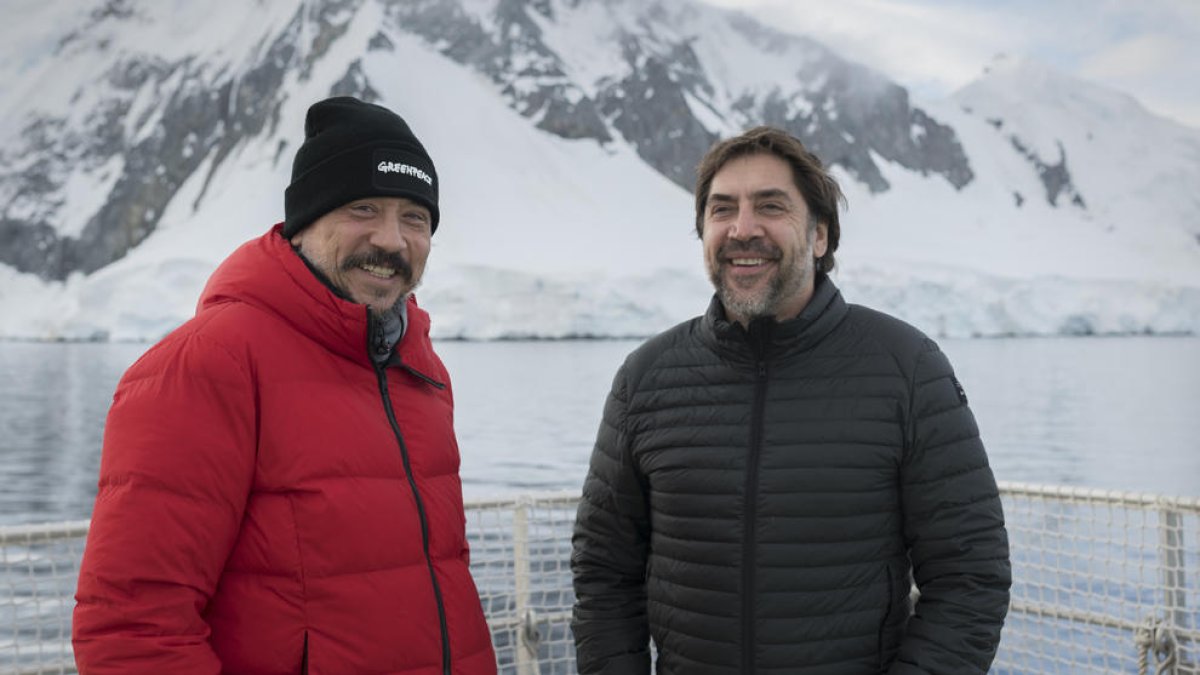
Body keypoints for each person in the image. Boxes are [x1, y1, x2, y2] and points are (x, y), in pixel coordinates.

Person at [73, 96, 497, 674]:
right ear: (304, 223)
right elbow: (131, 625)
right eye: (363, 208)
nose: (392, 241)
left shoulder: (417, 369)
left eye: (414, 218)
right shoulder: (208, 364)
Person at [571, 126, 1011, 674]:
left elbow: (970, 575)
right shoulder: (647, 378)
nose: (743, 229)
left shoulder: (906, 369)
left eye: (771, 207)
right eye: (721, 209)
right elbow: (604, 575)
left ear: (820, 236)